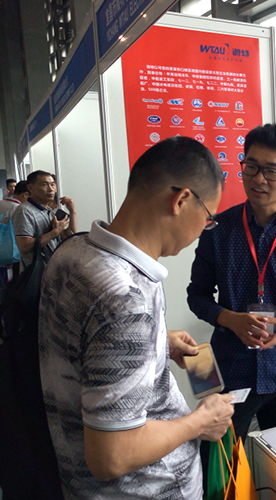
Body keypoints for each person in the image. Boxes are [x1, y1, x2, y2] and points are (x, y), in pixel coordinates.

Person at [38, 137, 235, 499]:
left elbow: (82, 346)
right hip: (145, 489)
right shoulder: (127, 297)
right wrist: (200, 422)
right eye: (208, 217)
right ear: (181, 200)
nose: (202, 230)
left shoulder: (74, 250)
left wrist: (155, 344)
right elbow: (112, 455)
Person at [188, 123, 276, 441]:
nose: (258, 179)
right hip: (230, 368)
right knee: (222, 459)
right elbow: (197, 295)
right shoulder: (218, 230)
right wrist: (230, 319)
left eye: (271, 171)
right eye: (251, 167)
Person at [11, 170, 76, 272]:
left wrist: (72, 211)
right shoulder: (24, 211)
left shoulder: (48, 211)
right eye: (44, 184)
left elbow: (69, 235)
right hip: (37, 274)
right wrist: (54, 232)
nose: (51, 189)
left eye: (53, 184)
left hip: (54, 271)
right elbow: (24, 246)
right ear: (30, 188)